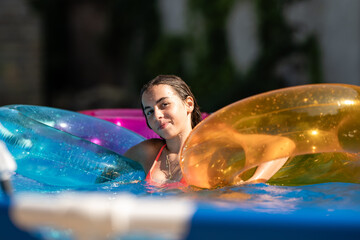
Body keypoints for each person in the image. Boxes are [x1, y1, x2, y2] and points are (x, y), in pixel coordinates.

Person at [124, 75, 202, 185]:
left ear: (189, 104)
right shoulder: (147, 153)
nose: (157, 115)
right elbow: (102, 180)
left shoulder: (209, 154)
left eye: (164, 104)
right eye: (150, 112)